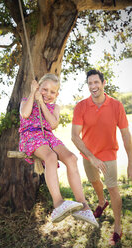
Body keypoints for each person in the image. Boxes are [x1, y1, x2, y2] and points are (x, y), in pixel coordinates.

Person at [19, 73, 99, 227]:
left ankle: (83, 206)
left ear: (57, 94)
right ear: (38, 88)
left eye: (52, 92)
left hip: (47, 135)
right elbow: (25, 114)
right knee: (50, 157)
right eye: (44, 89)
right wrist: (32, 94)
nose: (48, 94)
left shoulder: (54, 107)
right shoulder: (26, 101)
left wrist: (42, 103)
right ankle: (58, 203)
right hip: (30, 135)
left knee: (71, 158)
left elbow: (53, 124)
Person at [71, 69, 132, 245]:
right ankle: (101, 202)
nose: (93, 86)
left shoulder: (116, 106)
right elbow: (75, 136)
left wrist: (130, 162)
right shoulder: (81, 106)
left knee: (112, 187)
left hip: (108, 154)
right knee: (95, 182)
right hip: (88, 154)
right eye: (90, 83)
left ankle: (118, 227)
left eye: (96, 82)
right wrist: (92, 157)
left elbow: (126, 135)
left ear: (103, 83)